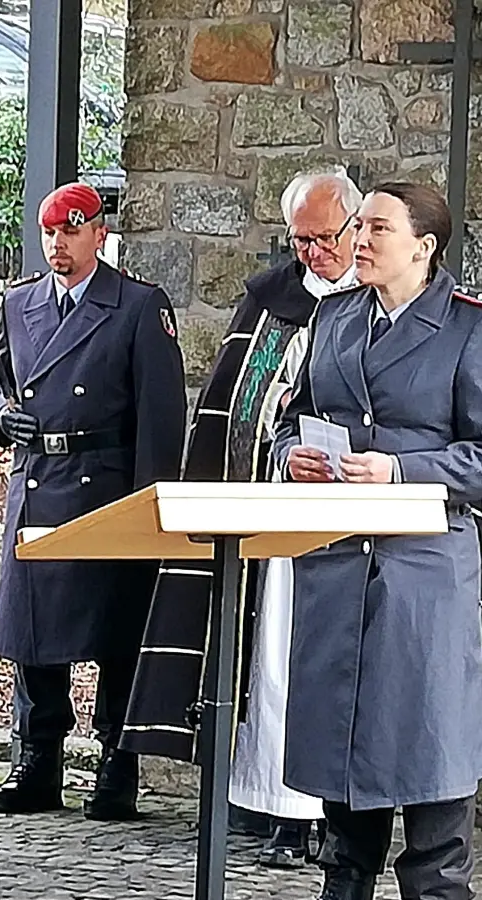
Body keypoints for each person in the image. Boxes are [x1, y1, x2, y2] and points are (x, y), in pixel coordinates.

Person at [123, 167, 357, 867]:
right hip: (281, 513)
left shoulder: (377, 299)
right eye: (300, 240)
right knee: (273, 658)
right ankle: (277, 808)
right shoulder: (271, 298)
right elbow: (234, 411)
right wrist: (280, 455)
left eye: (324, 237)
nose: (312, 253)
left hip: (357, 517)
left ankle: (337, 814)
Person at [277, 182, 482, 900]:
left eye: (377, 229)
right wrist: (288, 456)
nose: (358, 240)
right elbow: (289, 417)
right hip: (336, 570)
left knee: (431, 785)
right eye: (358, 227)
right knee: (344, 801)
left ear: (423, 247)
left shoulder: (469, 329)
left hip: (422, 581)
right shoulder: (333, 319)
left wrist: (402, 470)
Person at [0, 182, 186, 822]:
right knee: (35, 632)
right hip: (39, 478)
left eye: (72, 230)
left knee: (117, 630)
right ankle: (37, 761)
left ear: (99, 233)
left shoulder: (137, 307)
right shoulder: (20, 302)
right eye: (51, 233)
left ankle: (116, 763)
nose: (59, 244)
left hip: (109, 481)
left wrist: (153, 503)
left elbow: (161, 413)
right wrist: (0, 415)